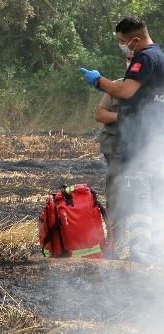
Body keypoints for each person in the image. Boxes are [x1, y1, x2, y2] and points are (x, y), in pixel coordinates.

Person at [79, 16, 164, 264]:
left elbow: (125, 91)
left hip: (139, 139)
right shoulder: (160, 58)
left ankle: (141, 249)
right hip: (153, 138)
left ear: (135, 40)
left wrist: (98, 80)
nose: (122, 46)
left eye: (122, 42)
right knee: (154, 193)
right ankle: (155, 248)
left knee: (140, 194)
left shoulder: (145, 57)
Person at [93, 53, 133, 258]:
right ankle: (114, 246)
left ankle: (140, 248)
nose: (130, 61)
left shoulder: (153, 88)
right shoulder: (115, 86)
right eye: (127, 58)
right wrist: (123, 117)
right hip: (115, 153)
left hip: (140, 154)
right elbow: (99, 114)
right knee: (114, 199)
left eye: (133, 58)